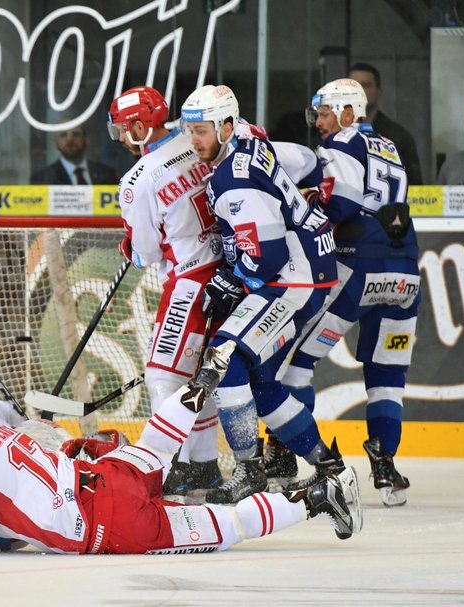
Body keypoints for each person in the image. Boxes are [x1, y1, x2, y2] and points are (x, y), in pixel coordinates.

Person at [0, 342, 363, 556]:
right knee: (155, 443)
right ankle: (198, 387)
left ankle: (318, 498)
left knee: (229, 525)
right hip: (106, 476)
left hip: (107, 527)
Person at [179, 84, 353, 504]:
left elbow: (268, 255)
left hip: (292, 278)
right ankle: (332, 471)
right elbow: (308, 161)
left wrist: (232, 277)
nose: (193, 141)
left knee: (225, 361)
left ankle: (248, 470)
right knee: (261, 382)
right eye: (190, 131)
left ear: (225, 126)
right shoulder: (252, 140)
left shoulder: (234, 179)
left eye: (201, 130)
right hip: (308, 269)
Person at [279, 78, 419, 507]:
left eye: (325, 113)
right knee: (388, 374)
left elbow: (339, 206)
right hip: (405, 273)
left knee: (294, 361)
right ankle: (385, 464)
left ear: (347, 112)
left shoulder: (340, 144)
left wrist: (296, 203)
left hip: (358, 265)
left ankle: (285, 453)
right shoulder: (390, 145)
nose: (319, 122)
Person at [106, 85, 224, 499]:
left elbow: (143, 253)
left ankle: (169, 464)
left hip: (190, 279)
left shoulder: (137, 179)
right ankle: (205, 465)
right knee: (197, 376)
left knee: (162, 376)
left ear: (140, 127)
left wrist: (130, 245)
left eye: (123, 129)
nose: (121, 137)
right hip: (227, 271)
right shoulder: (196, 141)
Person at [347, 63, 422, 185]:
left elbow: (415, 189)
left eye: (366, 85)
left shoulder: (399, 138)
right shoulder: (331, 134)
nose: (359, 91)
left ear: (378, 91)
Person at [31, 120, 118, 185]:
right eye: (63, 135)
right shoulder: (42, 178)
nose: (70, 140)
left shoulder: (107, 174)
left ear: (86, 140)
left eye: (76, 134)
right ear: (55, 142)